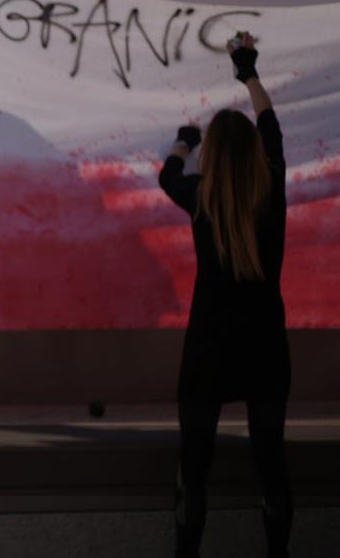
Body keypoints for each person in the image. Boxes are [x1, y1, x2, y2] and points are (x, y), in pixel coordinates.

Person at [158, 33, 292, 558]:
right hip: (266, 345)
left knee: (194, 468)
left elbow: (168, 174)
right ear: (256, 152)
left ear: (210, 156)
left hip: (208, 347)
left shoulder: (199, 197)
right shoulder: (272, 188)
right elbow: (270, 124)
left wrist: (184, 139)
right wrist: (247, 69)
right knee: (271, 464)